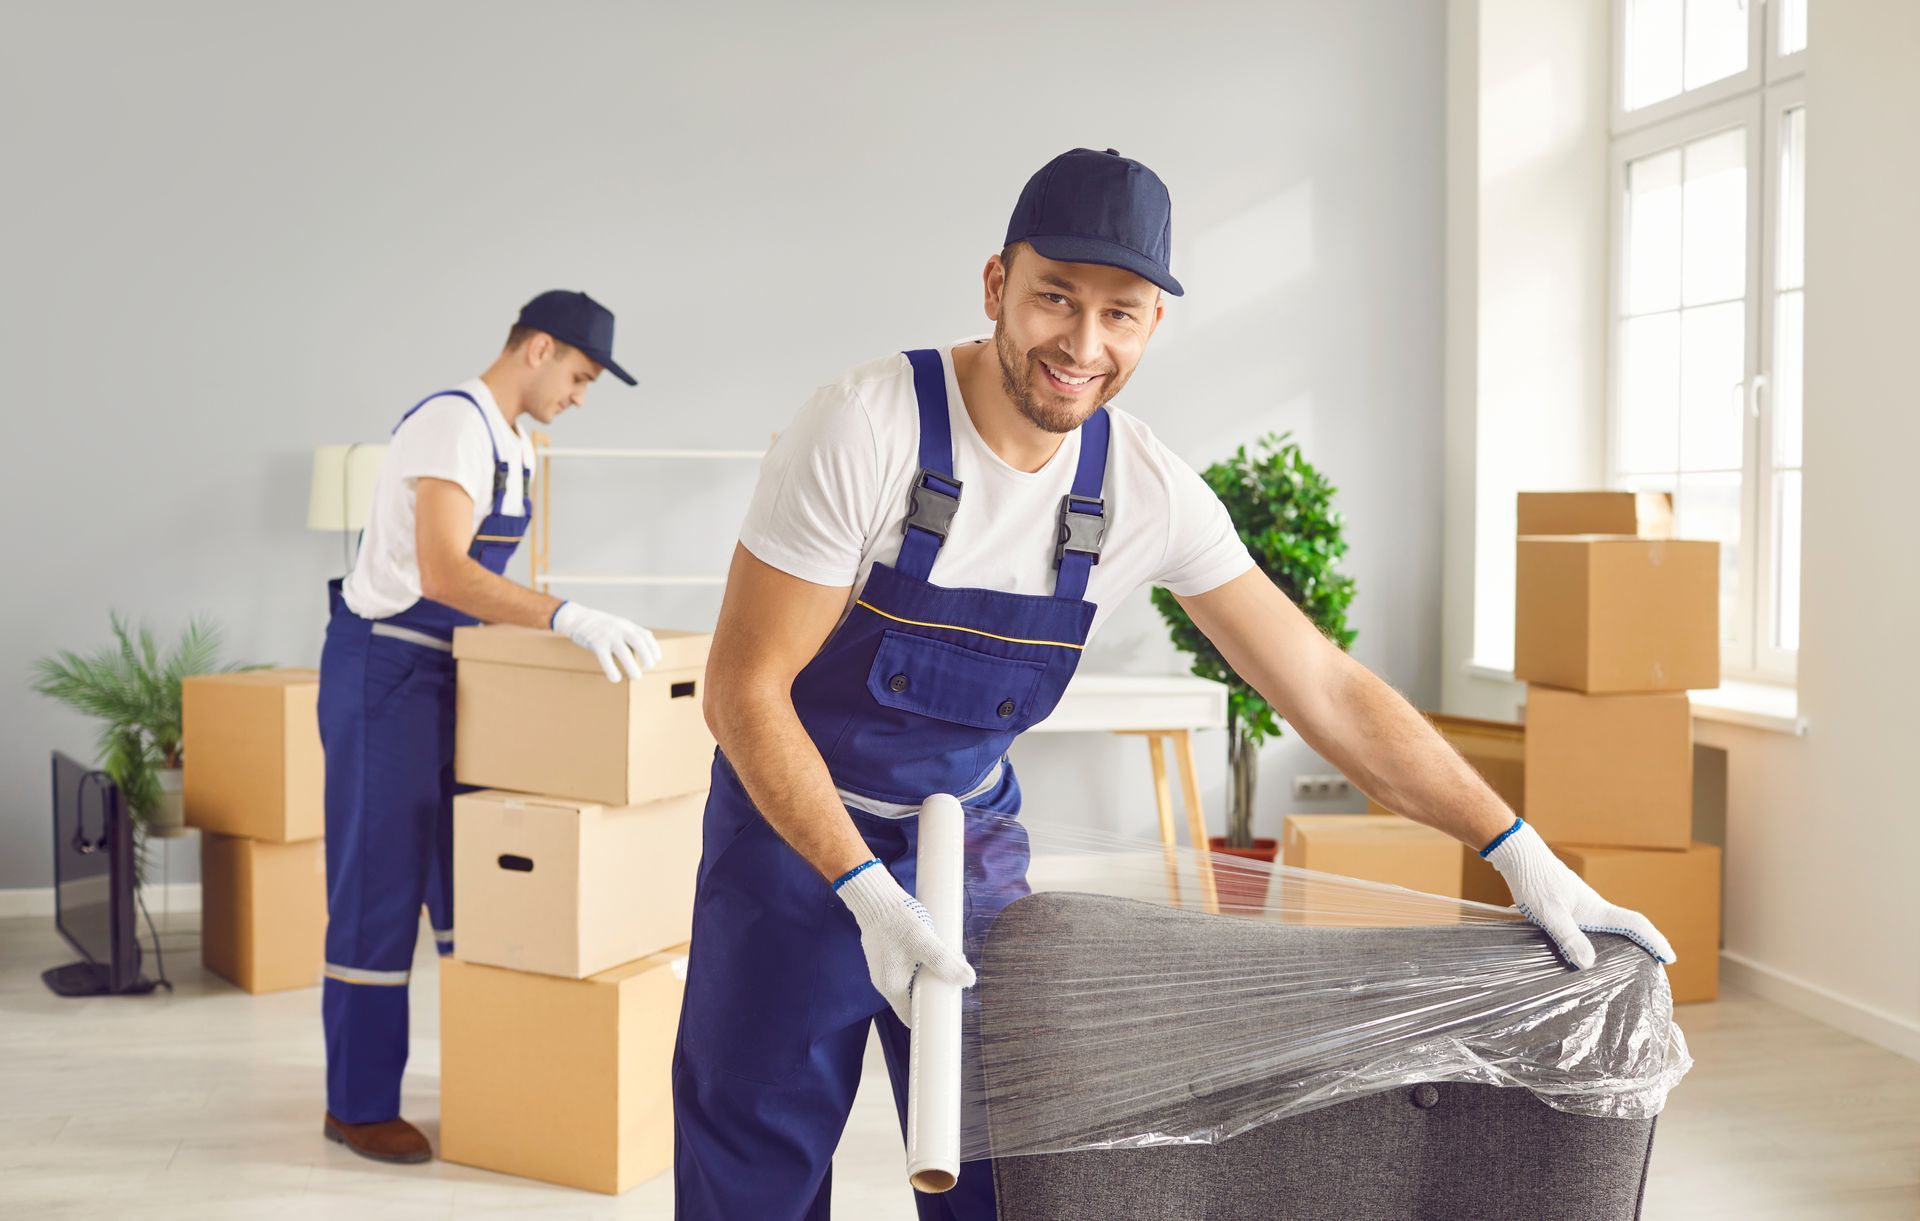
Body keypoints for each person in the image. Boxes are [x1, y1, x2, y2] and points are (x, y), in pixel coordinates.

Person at [672, 149, 1675, 1220]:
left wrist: (1516, 849)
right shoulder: (870, 427)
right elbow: (743, 694)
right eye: (1055, 296)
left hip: (967, 853)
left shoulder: (1142, 488)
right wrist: (860, 887)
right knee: (755, 1170)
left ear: (1154, 324)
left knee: (1009, 1171)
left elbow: (1324, 688)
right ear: (995, 285)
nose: (1083, 344)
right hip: (791, 854)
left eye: (1123, 313)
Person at [316, 290, 661, 1163]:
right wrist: (566, 616)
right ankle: (355, 1102)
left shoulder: (518, 445)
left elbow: (490, 591)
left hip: (454, 672)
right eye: (580, 376)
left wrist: (554, 651)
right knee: (379, 885)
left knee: (474, 884)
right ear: (538, 348)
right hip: (385, 667)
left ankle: (489, 1079)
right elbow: (442, 570)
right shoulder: (453, 425)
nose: (580, 397)